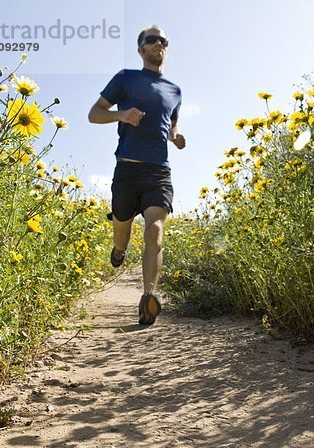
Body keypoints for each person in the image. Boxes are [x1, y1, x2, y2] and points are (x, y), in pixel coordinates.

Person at [88, 25, 186, 325]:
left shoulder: (175, 90)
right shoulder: (126, 78)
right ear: (141, 49)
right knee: (122, 226)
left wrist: (176, 137)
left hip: (158, 170)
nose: (159, 44)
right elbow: (95, 113)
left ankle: (148, 298)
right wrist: (121, 114)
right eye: (152, 40)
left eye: (163, 41)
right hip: (128, 168)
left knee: (155, 229)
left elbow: (172, 126)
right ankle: (119, 249)